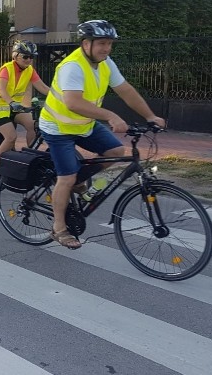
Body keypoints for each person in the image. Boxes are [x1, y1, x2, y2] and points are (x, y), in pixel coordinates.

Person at [40, 20, 166, 249]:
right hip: (58, 127)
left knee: (117, 151)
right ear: (85, 43)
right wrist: (110, 116)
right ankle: (59, 227)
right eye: (101, 43)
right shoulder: (72, 66)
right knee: (66, 178)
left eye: (109, 43)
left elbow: (126, 90)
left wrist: (150, 116)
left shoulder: (106, 63)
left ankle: (78, 180)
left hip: (84, 125)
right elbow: (73, 102)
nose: (106, 48)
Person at [0, 40, 50, 172]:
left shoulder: (30, 70)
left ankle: (30, 157)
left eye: (31, 57)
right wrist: (12, 103)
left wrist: (60, 97)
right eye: (25, 56)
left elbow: (42, 87)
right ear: (15, 55)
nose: (29, 60)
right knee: (11, 137)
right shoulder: (6, 69)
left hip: (14, 108)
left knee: (32, 125)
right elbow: (2, 90)